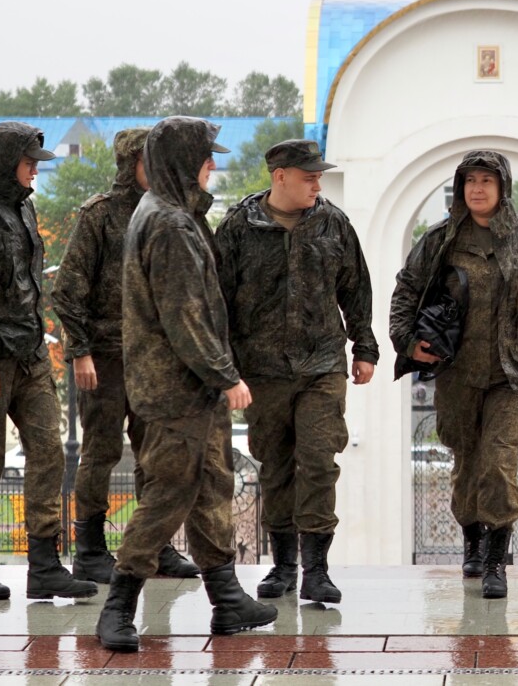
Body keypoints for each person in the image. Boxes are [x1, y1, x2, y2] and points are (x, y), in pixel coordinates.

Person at [96, 116, 276, 652]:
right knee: (169, 495)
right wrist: (225, 375)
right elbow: (184, 315)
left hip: (189, 388)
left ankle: (227, 598)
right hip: (177, 389)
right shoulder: (169, 224)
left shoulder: (171, 213)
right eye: (205, 156)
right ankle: (118, 607)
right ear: (181, 161)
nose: (212, 165)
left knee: (212, 487)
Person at [390, 149, 518, 599]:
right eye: (470, 180)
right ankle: (473, 544)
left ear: (503, 187)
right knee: (466, 462)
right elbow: (407, 289)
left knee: (498, 461)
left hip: (513, 373)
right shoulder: (441, 238)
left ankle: (497, 559)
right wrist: (406, 340)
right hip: (457, 371)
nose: (477, 189)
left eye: (486, 180)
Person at [215, 138, 378, 605]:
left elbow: (355, 288)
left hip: (322, 364)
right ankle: (284, 566)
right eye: (309, 177)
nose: (317, 185)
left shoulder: (333, 224)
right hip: (262, 370)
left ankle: (317, 570)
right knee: (276, 465)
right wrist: (225, 369)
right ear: (280, 176)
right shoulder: (238, 227)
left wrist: (364, 347)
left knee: (319, 461)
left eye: (319, 177)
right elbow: (217, 300)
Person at [0, 121, 97, 601]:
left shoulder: (23, 208)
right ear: (5, 164)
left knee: (49, 451)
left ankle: (44, 566)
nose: (35, 172)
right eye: (29, 163)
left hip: (30, 355)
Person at [52, 127, 199, 583]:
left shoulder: (170, 212)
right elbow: (67, 289)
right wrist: (80, 352)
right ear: (130, 163)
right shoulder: (100, 215)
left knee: (155, 454)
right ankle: (90, 550)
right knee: (100, 452)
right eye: (148, 160)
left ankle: (156, 545)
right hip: (106, 357)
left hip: (154, 359)